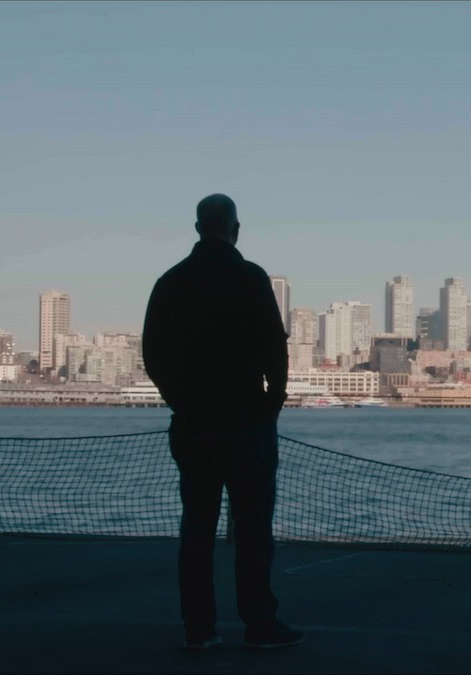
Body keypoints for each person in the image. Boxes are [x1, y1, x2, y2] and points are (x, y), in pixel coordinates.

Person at [143, 194, 302, 650]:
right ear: (236, 228)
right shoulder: (250, 278)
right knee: (253, 530)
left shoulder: (170, 282)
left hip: (194, 424)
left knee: (196, 528)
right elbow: (274, 344)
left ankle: (199, 628)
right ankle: (260, 623)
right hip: (246, 421)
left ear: (198, 228)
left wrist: (179, 399)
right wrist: (275, 398)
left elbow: (152, 353)